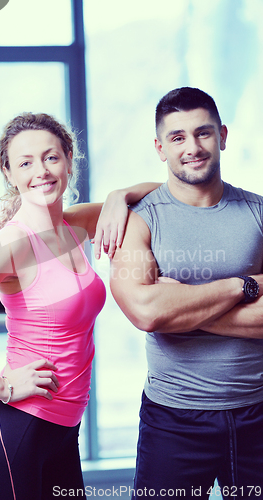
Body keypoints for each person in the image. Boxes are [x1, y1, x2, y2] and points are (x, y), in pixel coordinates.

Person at [0, 112, 159, 500]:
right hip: (15, 433)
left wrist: (119, 195)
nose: (42, 171)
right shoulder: (12, 245)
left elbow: (158, 193)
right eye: (25, 162)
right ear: (9, 172)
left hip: (63, 431)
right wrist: (0, 386)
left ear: (70, 159)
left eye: (51, 157)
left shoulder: (74, 225)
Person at [110, 87, 263, 499]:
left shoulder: (258, 213)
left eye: (203, 133)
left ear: (223, 136)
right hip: (173, 420)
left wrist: (180, 305)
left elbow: (163, 313)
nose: (192, 147)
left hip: (258, 413)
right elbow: (146, 313)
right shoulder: (138, 223)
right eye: (177, 138)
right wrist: (242, 286)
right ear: (160, 148)